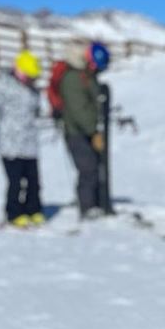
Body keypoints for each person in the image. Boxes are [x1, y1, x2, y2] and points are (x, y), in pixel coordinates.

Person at [0, 49, 46, 227]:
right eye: (29, 75)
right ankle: (14, 213)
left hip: (29, 142)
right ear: (19, 71)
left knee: (34, 181)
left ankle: (34, 210)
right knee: (15, 181)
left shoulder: (34, 91)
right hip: (9, 143)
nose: (32, 79)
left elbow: (38, 109)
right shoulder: (4, 85)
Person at [59, 41, 110, 219]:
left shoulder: (87, 75)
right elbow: (79, 109)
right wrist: (93, 130)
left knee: (95, 166)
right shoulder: (73, 78)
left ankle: (95, 202)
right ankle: (87, 207)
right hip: (76, 132)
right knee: (88, 168)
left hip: (88, 131)